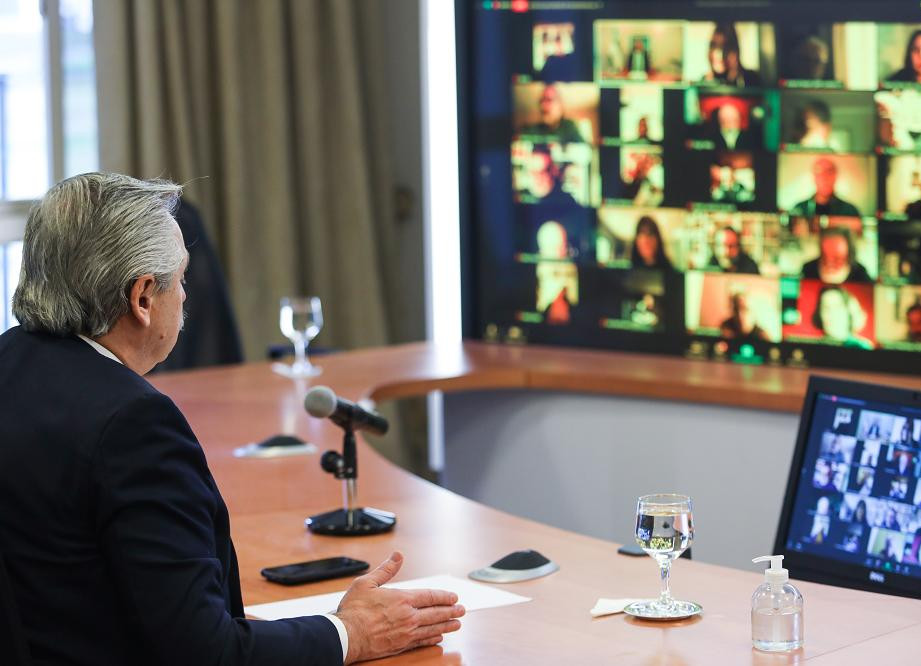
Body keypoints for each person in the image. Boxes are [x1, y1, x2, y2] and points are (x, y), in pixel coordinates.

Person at [0, 173, 465, 665]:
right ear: (141, 299)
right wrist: (350, 633)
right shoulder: (134, 424)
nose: (184, 296)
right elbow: (208, 654)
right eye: (180, 279)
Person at [790, 157, 862, 218]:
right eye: (819, 172)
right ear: (814, 177)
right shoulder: (800, 209)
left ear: (835, 176)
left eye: (829, 172)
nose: (824, 177)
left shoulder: (850, 211)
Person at [801, 227, 873, 284]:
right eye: (825, 256)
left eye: (837, 258)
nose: (829, 262)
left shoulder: (860, 274)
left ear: (849, 255)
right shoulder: (808, 269)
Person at [811, 285, 873, 349]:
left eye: (837, 306)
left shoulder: (861, 346)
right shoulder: (813, 346)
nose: (830, 313)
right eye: (825, 307)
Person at [519, 84, 584, 143]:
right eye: (541, 101)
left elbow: (585, 149)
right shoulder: (532, 130)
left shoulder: (569, 127)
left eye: (548, 100)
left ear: (560, 106)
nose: (542, 105)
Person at [701, 23, 762, 87]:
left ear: (736, 51)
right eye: (714, 46)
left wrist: (733, 77)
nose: (719, 55)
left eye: (725, 48)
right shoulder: (704, 83)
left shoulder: (751, 79)